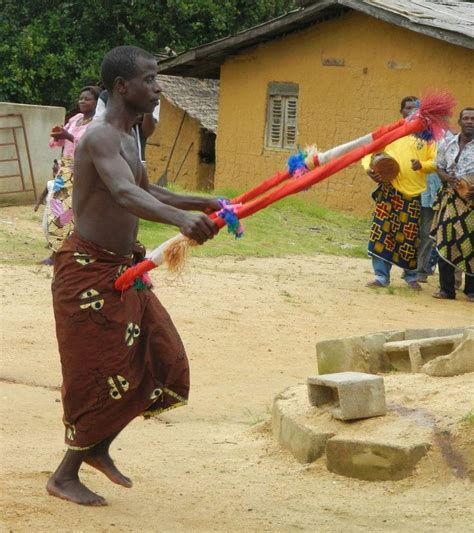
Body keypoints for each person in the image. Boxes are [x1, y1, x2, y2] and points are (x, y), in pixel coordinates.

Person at [47, 45, 220, 506]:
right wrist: (179, 221)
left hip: (123, 269)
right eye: (150, 79)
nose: (158, 87)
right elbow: (124, 193)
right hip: (86, 275)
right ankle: (65, 474)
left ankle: (97, 448)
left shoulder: (130, 135)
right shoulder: (100, 136)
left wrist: (199, 203)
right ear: (122, 86)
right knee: (97, 374)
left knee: (161, 360)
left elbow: (144, 187)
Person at [362, 96, 437, 290]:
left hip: (412, 195)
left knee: (410, 236)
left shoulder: (426, 136)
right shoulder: (390, 132)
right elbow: (368, 153)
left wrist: (422, 165)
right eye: (408, 108)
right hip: (388, 190)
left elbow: (436, 161)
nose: (412, 112)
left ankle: (411, 276)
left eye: (415, 109)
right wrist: (370, 170)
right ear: (401, 112)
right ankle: (381, 276)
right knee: (382, 232)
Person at [46, 86, 101, 263]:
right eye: (80, 98)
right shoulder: (76, 119)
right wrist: (58, 135)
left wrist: (68, 136)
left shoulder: (98, 123)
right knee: (56, 210)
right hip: (65, 171)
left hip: (84, 172)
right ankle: (56, 252)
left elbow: (91, 145)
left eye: (87, 99)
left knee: (76, 213)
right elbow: (60, 140)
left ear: (97, 102)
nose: (82, 101)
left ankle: (71, 254)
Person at [431, 107, 474, 302]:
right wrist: (447, 177)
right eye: (466, 118)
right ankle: (446, 289)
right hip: (449, 200)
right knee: (445, 242)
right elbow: (438, 166)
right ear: (459, 121)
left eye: (473, 119)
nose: (469, 121)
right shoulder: (447, 143)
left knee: (471, 245)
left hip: (471, 203)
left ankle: (471, 291)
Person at [94, 88, 160, 165]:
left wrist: (148, 109)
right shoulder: (106, 95)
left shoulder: (152, 96)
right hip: (111, 155)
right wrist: (128, 118)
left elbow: (148, 132)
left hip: (138, 158)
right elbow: (98, 124)